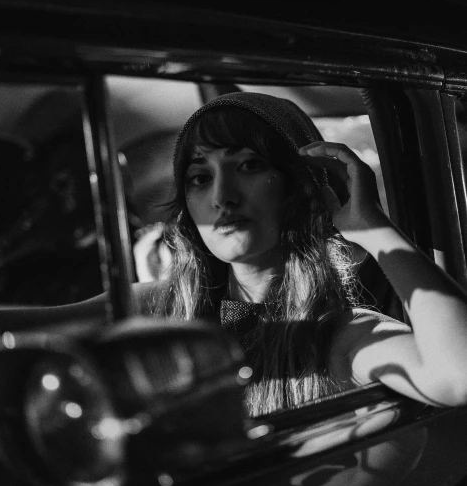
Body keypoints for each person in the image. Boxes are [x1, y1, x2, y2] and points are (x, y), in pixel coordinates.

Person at [139, 91, 467, 417]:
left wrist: (370, 226)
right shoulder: (159, 308)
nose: (222, 196)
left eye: (249, 165)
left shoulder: (341, 335)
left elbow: (459, 376)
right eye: (200, 178)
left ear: (302, 185)